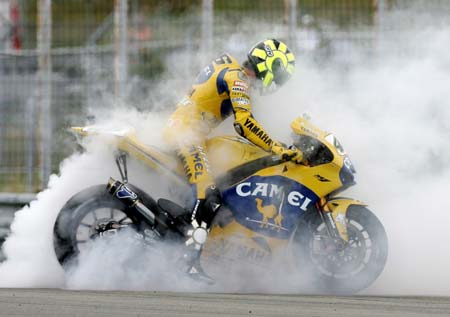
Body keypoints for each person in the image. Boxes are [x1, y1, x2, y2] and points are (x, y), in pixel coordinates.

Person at [163, 39, 303, 280]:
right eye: (278, 75)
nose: (277, 82)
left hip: (187, 131)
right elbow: (244, 123)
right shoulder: (238, 79)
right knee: (208, 191)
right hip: (186, 134)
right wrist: (275, 146)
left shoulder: (230, 67)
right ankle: (187, 263)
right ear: (268, 65)